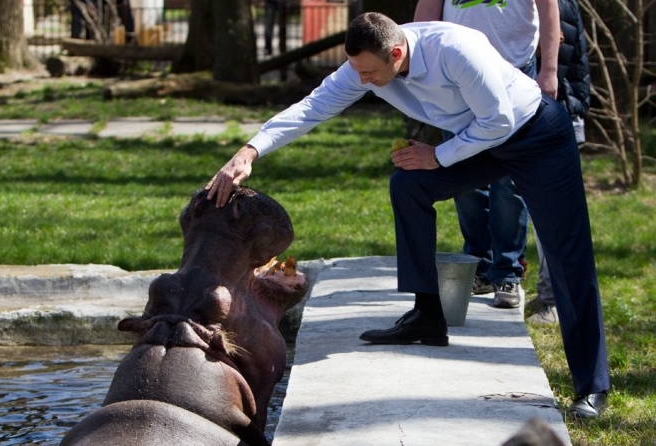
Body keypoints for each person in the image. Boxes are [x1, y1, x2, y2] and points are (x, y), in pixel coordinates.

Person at [205, 12, 609, 419]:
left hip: (535, 134)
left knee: (566, 253)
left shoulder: (455, 49)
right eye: (357, 72)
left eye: (369, 73)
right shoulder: (365, 65)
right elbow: (311, 108)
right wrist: (250, 150)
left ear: (397, 53)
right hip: (481, 140)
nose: (361, 81)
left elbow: (499, 120)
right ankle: (427, 316)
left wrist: (437, 155)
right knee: (409, 186)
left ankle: (591, 387)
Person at [413, 0, 560, 310]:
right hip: (455, 77)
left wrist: (550, 69)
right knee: (462, 175)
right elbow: (426, 14)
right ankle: (478, 266)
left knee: (509, 181)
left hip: (516, 72)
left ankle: (507, 273)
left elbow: (549, 9)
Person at [526, 0, 591, 324]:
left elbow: (564, 60)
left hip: (555, 114)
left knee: (553, 214)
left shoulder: (556, 6)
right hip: (528, 115)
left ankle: (553, 301)